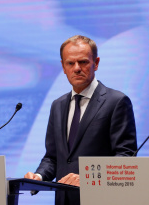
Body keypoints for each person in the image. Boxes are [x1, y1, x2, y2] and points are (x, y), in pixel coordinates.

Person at [24, 35, 137, 205]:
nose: (76, 68)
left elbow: (125, 158)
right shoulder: (57, 105)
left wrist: (89, 178)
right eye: (70, 63)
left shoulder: (116, 102)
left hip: (100, 200)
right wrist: (38, 176)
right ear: (63, 66)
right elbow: (53, 157)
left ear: (96, 63)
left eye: (83, 62)